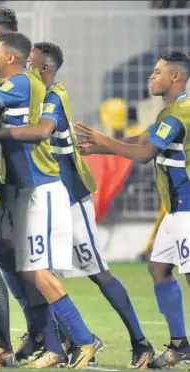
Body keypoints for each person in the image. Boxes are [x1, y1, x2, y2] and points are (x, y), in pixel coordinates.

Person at [0, 32, 102, 369]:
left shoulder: (21, 82)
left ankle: (83, 339)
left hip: (44, 188)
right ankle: (58, 344)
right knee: (29, 270)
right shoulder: (15, 83)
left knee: (37, 271)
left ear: (10, 58)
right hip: (27, 190)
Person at [75, 51, 190, 370]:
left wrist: (102, 140)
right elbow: (140, 139)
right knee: (159, 268)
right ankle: (180, 345)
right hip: (176, 208)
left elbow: (144, 154)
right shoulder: (168, 113)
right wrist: (98, 146)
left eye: (157, 72)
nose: (151, 77)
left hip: (188, 207)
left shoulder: (180, 113)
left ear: (176, 77)